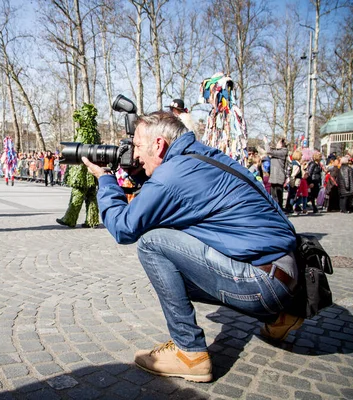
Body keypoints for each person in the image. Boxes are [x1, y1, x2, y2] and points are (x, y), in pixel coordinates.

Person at [82, 112, 298, 383]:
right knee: (174, 264)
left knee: (152, 243)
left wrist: (105, 180)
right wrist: (138, 174)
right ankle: (281, 316)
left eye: (136, 146)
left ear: (158, 144)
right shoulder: (200, 156)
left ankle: (189, 352)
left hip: (263, 284)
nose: (133, 154)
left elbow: (123, 228)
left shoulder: (172, 174)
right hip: (286, 275)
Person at [56, 104, 101, 229]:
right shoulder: (95, 134)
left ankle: (70, 218)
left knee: (77, 194)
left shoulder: (83, 133)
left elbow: (78, 152)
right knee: (91, 196)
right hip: (91, 171)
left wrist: (74, 172)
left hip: (82, 171)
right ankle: (92, 220)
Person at [263, 137, 288, 210]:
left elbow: (268, 151)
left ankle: (279, 211)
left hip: (278, 177)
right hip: (273, 177)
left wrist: (266, 142)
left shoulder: (283, 151)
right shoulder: (278, 151)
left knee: (278, 197)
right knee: (274, 196)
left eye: (278, 143)